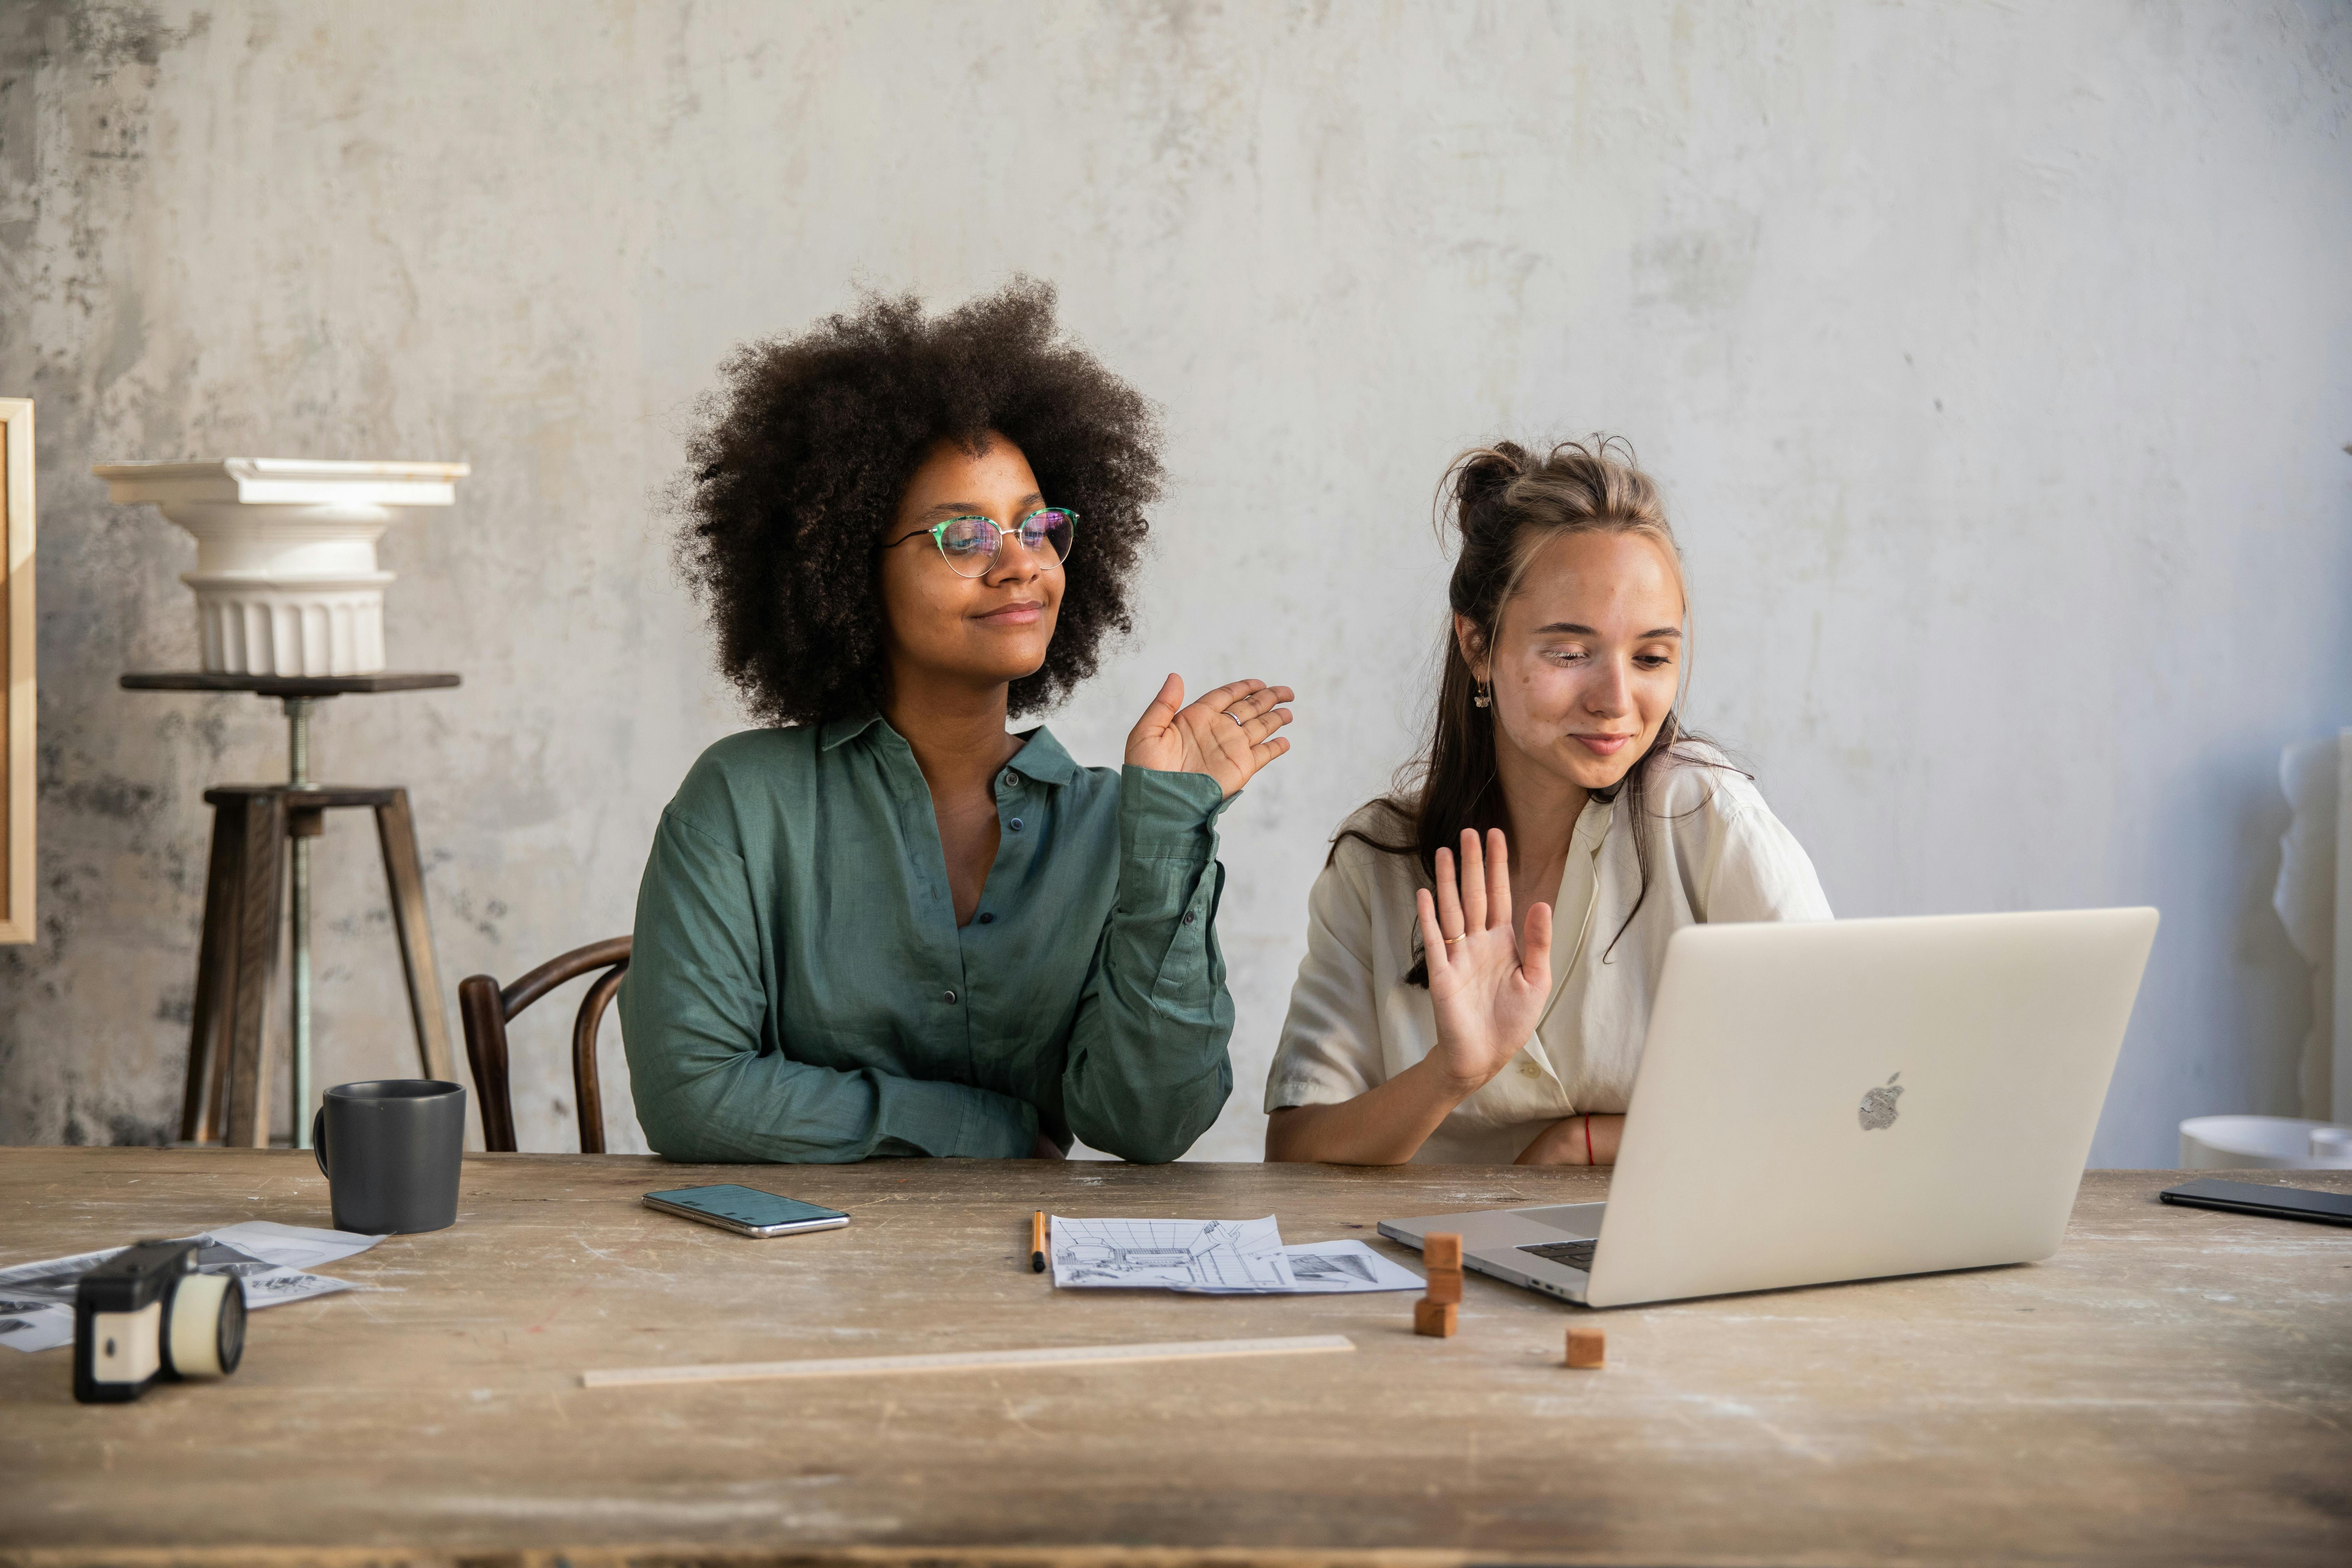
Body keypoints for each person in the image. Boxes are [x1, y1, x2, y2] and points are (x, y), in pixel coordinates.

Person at [621, 281, 1293, 1164]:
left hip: (1041, 1281)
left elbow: (1148, 1124)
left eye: (1037, 526)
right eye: (964, 537)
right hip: (791, 1285)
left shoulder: (1115, 824)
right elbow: (691, 1096)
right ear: (851, 569)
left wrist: (1171, 828)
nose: (1021, 564)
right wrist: (990, 1129)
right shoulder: (744, 802)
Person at [1263, 438, 1827, 1166]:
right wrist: (1452, 1073)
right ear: (1476, 645)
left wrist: (1585, 1143)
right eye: (1569, 653)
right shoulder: (1380, 864)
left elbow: (1837, 1091)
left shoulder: (1709, 821)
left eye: (1652, 656)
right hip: (1434, 1272)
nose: (1617, 700)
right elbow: (1297, 1151)